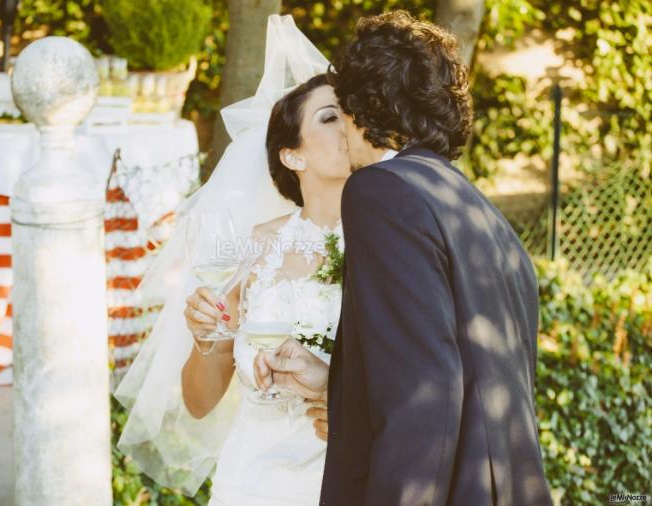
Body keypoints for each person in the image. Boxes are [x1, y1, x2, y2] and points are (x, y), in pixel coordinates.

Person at [255, 10, 553, 505]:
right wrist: (338, 389)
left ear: (361, 107)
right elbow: (454, 364)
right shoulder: (480, 211)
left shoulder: (380, 191)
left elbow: (424, 401)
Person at [114, 15, 346, 506]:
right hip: (253, 482)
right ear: (292, 157)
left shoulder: (385, 243)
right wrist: (206, 341)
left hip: (346, 476)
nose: (348, 125)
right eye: (329, 117)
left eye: (351, 113)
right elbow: (199, 404)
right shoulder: (253, 251)